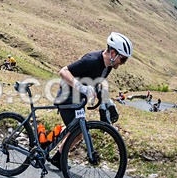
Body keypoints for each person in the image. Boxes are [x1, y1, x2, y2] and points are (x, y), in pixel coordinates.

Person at [50, 32, 132, 170]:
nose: (122, 63)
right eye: (122, 59)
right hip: (67, 98)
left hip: (78, 100)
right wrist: (81, 87)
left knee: (75, 132)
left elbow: (96, 81)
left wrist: (106, 99)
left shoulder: (108, 66)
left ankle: (52, 149)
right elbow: (63, 71)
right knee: (78, 133)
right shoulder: (91, 59)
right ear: (113, 53)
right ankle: (57, 158)